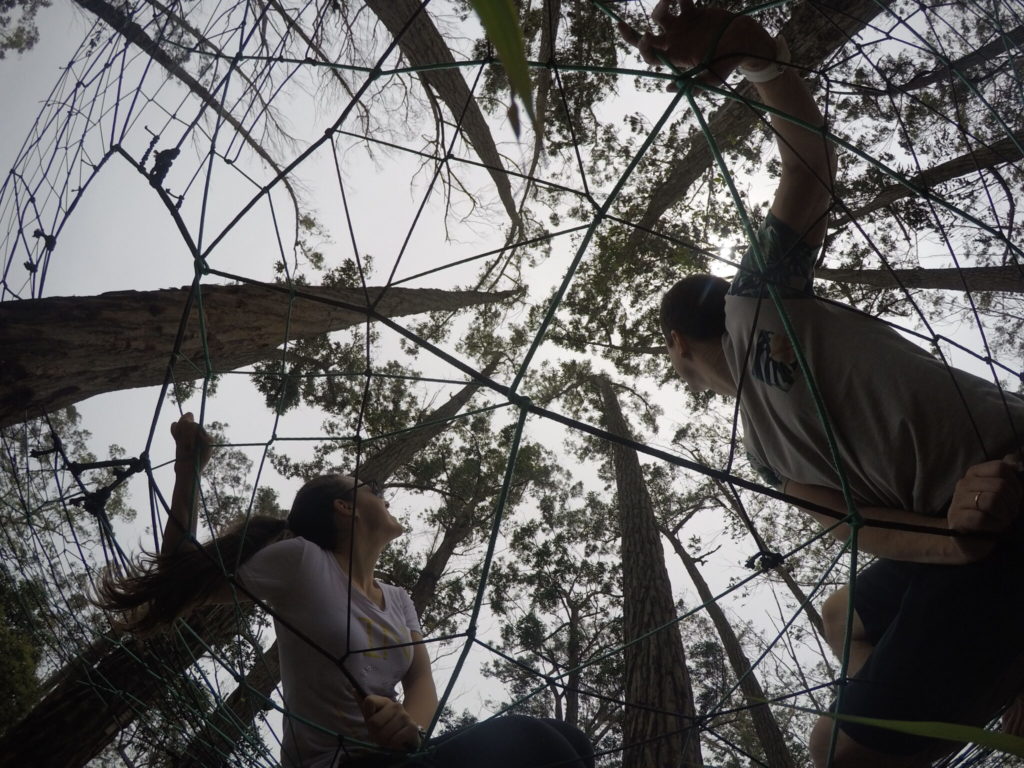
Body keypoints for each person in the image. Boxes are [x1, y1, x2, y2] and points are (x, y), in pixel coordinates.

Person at [621, 1, 1024, 766]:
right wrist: (952, 540)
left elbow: (807, 164)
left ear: (677, 346)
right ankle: (992, 672)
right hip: (970, 529)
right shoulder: (765, 455)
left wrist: (755, 58)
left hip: (1010, 468)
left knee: (835, 752)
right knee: (841, 613)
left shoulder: (756, 301)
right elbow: (852, 525)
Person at [99, 413, 594, 768]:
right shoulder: (303, 563)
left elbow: (420, 682)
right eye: (370, 487)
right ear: (345, 509)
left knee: (570, 739)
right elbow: (178, 572)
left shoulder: (398, 598)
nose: (381, 493)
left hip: (401, 756)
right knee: (532, 742)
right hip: (335, 762)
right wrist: (189, 466)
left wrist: (408, 724)